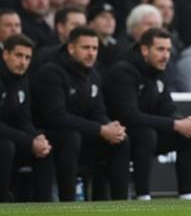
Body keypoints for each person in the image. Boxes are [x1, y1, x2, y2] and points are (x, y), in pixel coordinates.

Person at [30, 27, 130, 201]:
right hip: (50, 137)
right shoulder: (51, 72)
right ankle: (68, 202)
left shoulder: (93, 74)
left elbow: (98, 111)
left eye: (95, 48)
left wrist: (109, 126)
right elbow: (56, 117)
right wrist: (100, 130)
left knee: (121, 139)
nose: (91, 53)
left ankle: (120, 204)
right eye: (85, 48)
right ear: (71, 48)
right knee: (71, 136)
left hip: (82, 135)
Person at [103, 28, 191, 201]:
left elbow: (168, 108)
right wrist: (175, 124)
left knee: (189, 136)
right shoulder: (123, 71)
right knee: (146, 134)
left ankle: (187, 196)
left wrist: (184, 122)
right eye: (160, 49)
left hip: (146, 134)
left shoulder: (159, 72)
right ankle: (143, 196)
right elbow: (129, 116)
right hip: (119, 136)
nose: (166, 56)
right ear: (144, 50)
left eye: (168, 50)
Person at [0, 34, 53, 202]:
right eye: (18, 55)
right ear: (5, 54)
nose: (23, 62)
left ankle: (44, 207)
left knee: (45, 147)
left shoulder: (22, 80)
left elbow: (24, 119)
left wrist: (37, 138)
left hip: (11, 136)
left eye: (27, 57)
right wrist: (29, 141)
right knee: (5, 146)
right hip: (5, 139)